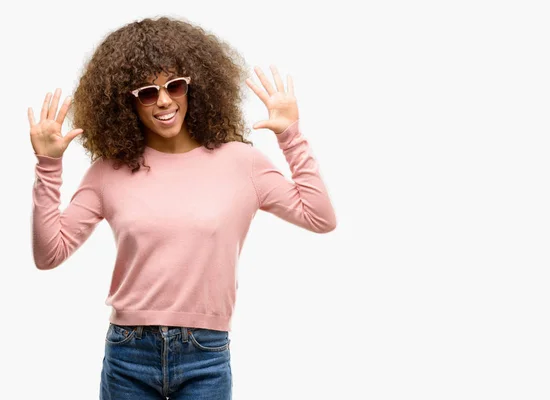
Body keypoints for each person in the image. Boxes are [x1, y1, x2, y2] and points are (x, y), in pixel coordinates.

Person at [28, 16, 336, 400]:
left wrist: (291, 136)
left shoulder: (242, 164)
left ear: (193, 86)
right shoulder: (107, 172)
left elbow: (320, 217)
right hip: (128, 352)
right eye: (146, 92)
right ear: (126, 101)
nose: (163, 100)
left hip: (206, 354)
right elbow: (49, 254)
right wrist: (49, 167)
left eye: (174, 85)